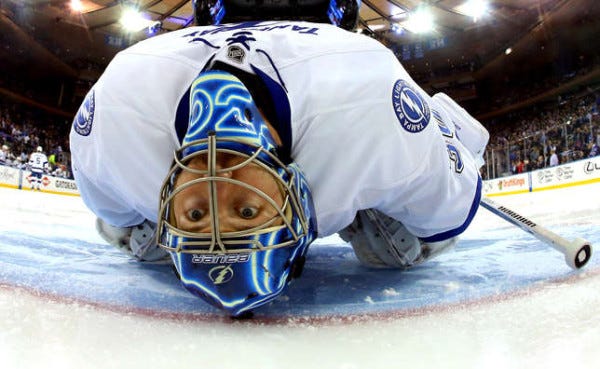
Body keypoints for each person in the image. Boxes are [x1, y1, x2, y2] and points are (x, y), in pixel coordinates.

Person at [70, 4, 489, 317]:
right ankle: (367, 204)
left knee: (141, 244)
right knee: (397, 249)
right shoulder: (370, 106)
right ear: (300, 207)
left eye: (197, 213)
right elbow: (440, 222)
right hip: (349, 129)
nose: (222, 184)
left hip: (347, 121)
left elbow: (118, 218)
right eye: (247, 210)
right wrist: (444, 141)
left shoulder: (114, 120)